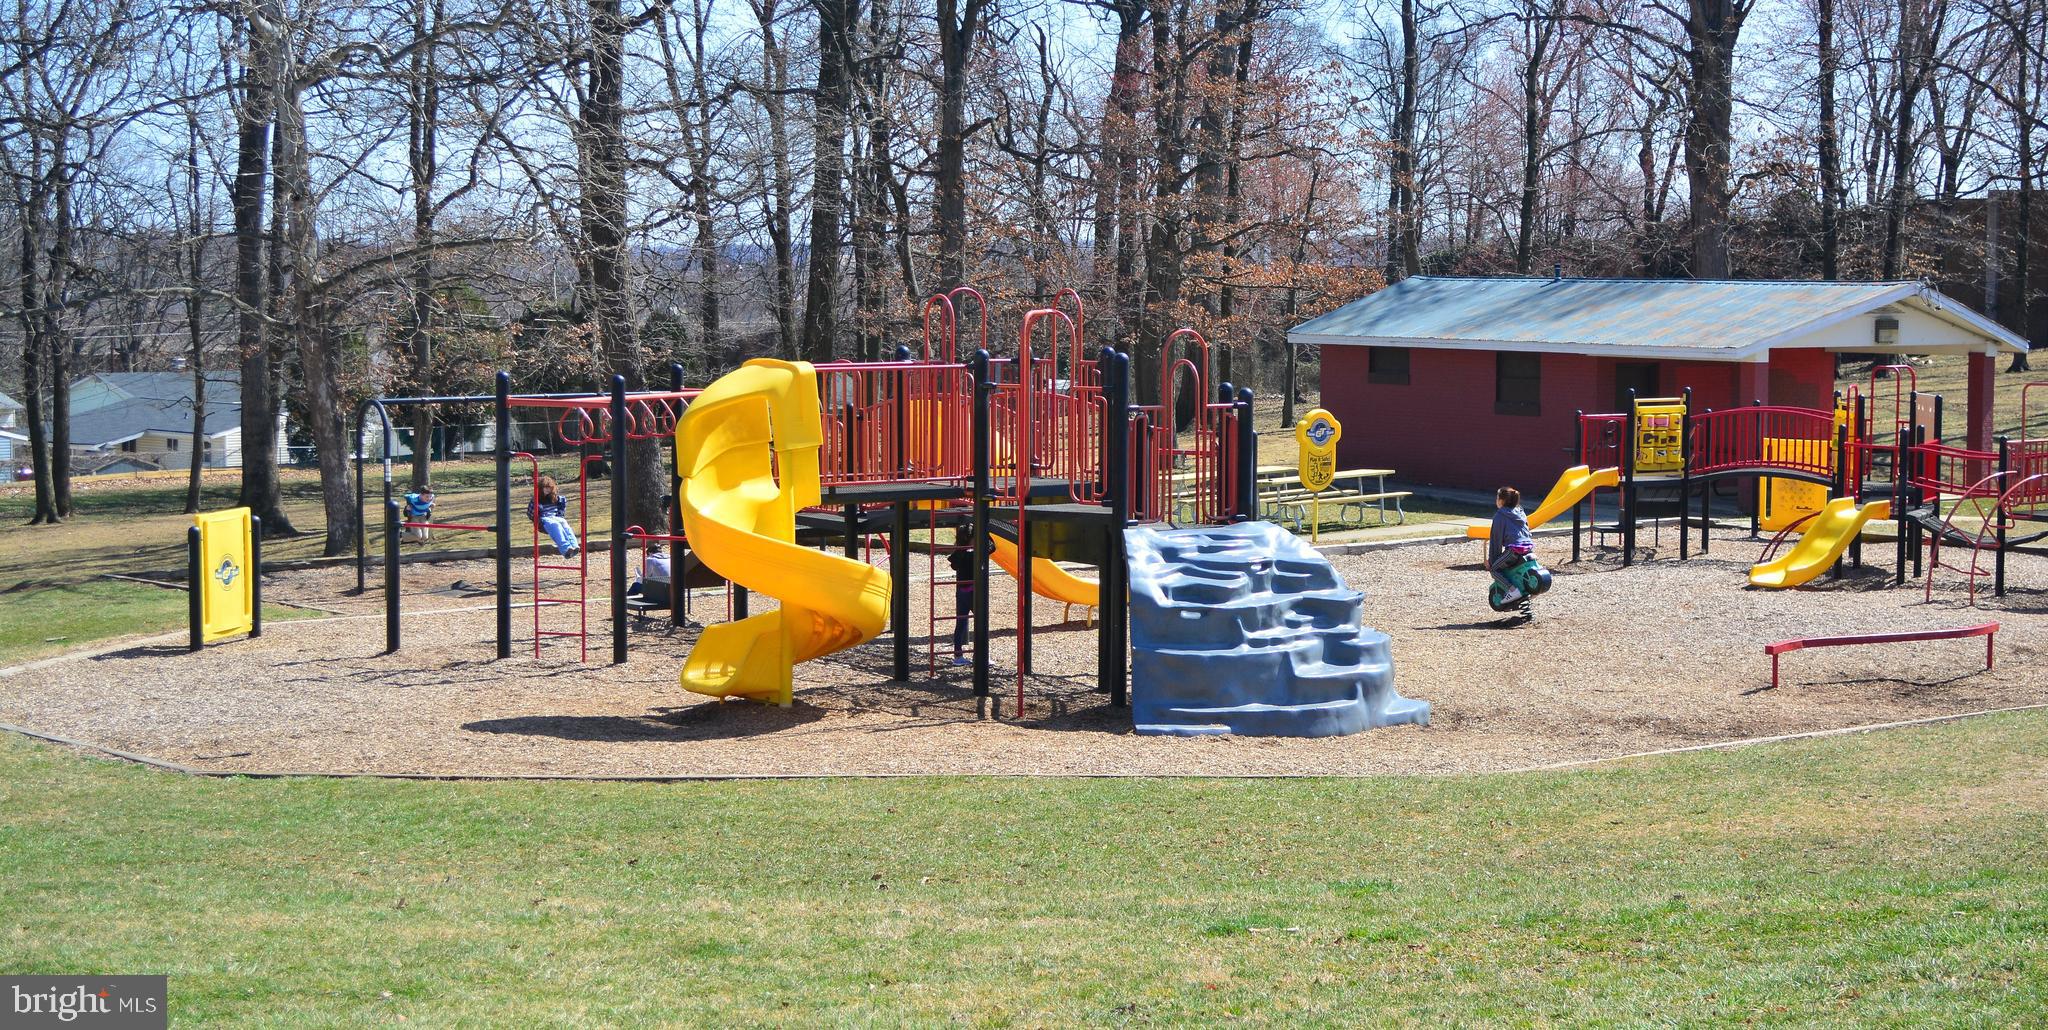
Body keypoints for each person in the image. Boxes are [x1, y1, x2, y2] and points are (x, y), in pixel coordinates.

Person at [945, 525, 992, 666]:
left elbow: (953, 564)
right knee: (981, 623)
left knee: (961, 624)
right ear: (971, 539)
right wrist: (985, 531)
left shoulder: (958, 554)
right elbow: (992, 547)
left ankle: (958, 656)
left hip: (961, 592)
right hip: (974, 592)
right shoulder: (975, 554)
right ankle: (982, 656)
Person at [1487, 485, 1535, 621]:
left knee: (1495, 569)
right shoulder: (1520, 511)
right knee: (1513, 572)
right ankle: (1526, 606)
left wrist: (1492, 561)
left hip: (1514, 549)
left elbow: (1495, 541)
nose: (1496, 500)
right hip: (1528, 547)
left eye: (1497, 497)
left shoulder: (1500, 516)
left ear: (1501, 501)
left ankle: (1512, 590)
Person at [529, 474, 580, 559]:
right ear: (540, 488)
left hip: (555, 517)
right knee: (555, 524)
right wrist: (536, 513)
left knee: (563, 523)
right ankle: (566, 549)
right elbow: (531, 514)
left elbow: (561, 510)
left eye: (549, 488)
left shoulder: (555, 498)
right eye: (545, 487)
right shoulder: (536, 500)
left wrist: (560, 512)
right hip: (543, 519)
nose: (547, 490)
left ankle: (574, 546)